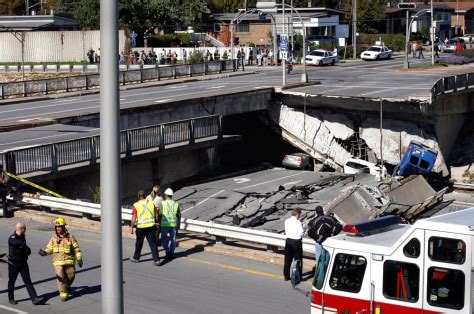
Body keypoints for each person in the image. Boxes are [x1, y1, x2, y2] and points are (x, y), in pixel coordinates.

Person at [39, 218, 82, 302]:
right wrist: (45, 252)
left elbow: (77, 249)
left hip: (69, 261)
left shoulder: (71, 237)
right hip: (57, 262)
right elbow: (49, 248)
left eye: (60, 227)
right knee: (61, 277)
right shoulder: (54, 238)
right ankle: (63, 293)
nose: (58, 229)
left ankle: (65, 287)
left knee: (71, 276)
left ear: (63, 227)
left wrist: (79, 258)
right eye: (56, 227)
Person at [8, 222, 42, 305]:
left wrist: (27, 250)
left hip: (23, 263)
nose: (25, 230)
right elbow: (14, 242)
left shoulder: (23, 237)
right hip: (14, 264)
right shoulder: (12, 237)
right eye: (25, 228)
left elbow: (25, 248)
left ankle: (34, 298)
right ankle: (11, 298)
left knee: (27, 281)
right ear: (20, 229)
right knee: (12, 281)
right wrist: (23, 245)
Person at [130, 191, 160, 266]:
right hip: (151, 226)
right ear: (145, 196)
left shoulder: (136, 205)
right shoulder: (151, 203)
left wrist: (131, 227)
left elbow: (134, 217)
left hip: (141, 227)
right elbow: (156, 213)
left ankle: (136, 258)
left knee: (139, 243)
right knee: (153, 243)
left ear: (138, 196)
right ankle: (157, 260)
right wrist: (157, 221)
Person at [158, 188, 181, 260]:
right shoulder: (176, 204)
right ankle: (172, 253)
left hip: (165, 224)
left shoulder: (162, 203)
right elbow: (179, 215)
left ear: (166, 195)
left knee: (164, 238)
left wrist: (159, 223)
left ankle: (167, 251)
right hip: (173, 224)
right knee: (173, 239)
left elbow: (160, 214)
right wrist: (178, 225)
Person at [283, 208, 304, 281]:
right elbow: (301, 232)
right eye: (300, 214)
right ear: (297, 214)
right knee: (298, 260)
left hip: (288, 241)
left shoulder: (286, 221)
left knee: (287, 260)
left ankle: (286, 276)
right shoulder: (298, 222)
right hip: (296, 242)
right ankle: (298, 277)